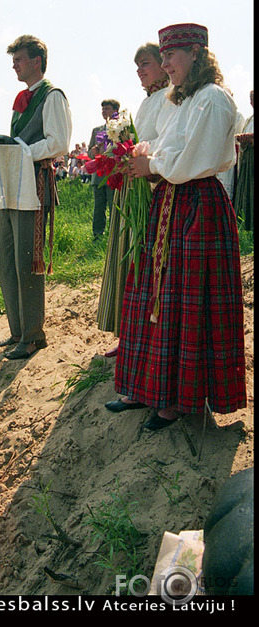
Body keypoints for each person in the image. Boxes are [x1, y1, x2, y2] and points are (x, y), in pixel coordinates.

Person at [106, 22, 246, 431]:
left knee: (183, 301)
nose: (165, 63)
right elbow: (166, 148)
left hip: (197, 208)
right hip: (171, 202)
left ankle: (177, 400)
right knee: (155, 294)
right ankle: (148, 388)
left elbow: (194, 159)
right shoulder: (180, 101)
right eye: (163, 56)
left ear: (197, 54)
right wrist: (144, 161)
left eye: (171, 55)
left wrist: (152, 165)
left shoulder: (213, 98)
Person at [0, 34, 72, 360]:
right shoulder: (21, 98)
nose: (14, 64)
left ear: (36, 61)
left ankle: (32, 336)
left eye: (19, 59)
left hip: (35, 184)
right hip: (13, 184)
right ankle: (17, 331)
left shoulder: (53, 96)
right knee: (5, 258)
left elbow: (59, 144)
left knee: (27, 262)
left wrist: (23, 152)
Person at [98, 43, 172, 356]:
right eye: (136, 66)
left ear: (163, 64)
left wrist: (135, 151)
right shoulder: (146, 102)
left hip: (153, 189)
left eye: (145, 64)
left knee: (142, 262)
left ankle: (140, 336)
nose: (140, 71)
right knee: (127, 259)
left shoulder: (170, 98)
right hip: (133, 188)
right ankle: (126, 335)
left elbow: (166, 140)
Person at [88, 99, 120, 239]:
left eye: (106, 108)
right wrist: (93, 152)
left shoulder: (121, 129)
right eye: (102, 109)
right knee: (98, 207)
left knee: (114, 206)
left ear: (115, 111)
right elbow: (89, 153)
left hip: (113, 174)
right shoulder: (96, 130)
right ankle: (97, 234)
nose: (104, 111)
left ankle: (115, 235)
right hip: (98, 175)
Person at [233, 90, 254, 231]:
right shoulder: (249, 120)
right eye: (251, 99)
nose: (252, 102)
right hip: (248, 161)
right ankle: (247, 226)